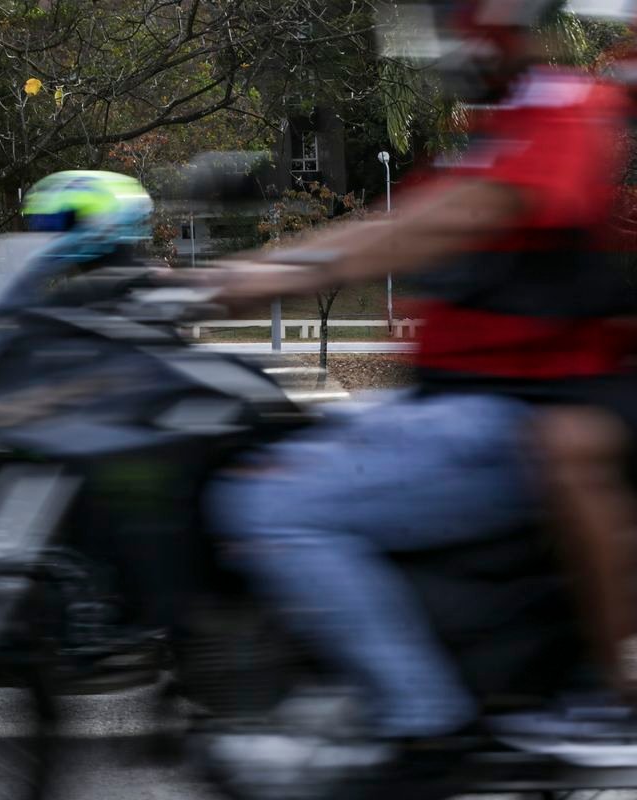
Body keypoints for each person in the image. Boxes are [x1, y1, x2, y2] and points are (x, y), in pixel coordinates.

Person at [202, 0, 637, 772]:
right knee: (268, 441)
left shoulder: (565, 108)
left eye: (449, 29)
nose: (439, 51)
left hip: (522, 406)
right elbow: (389, 221)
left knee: (272, 503)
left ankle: (419, 723)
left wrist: (268, 275)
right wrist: (229, 275)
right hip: (460, 395)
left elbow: (443, 223)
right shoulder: (497, 130)